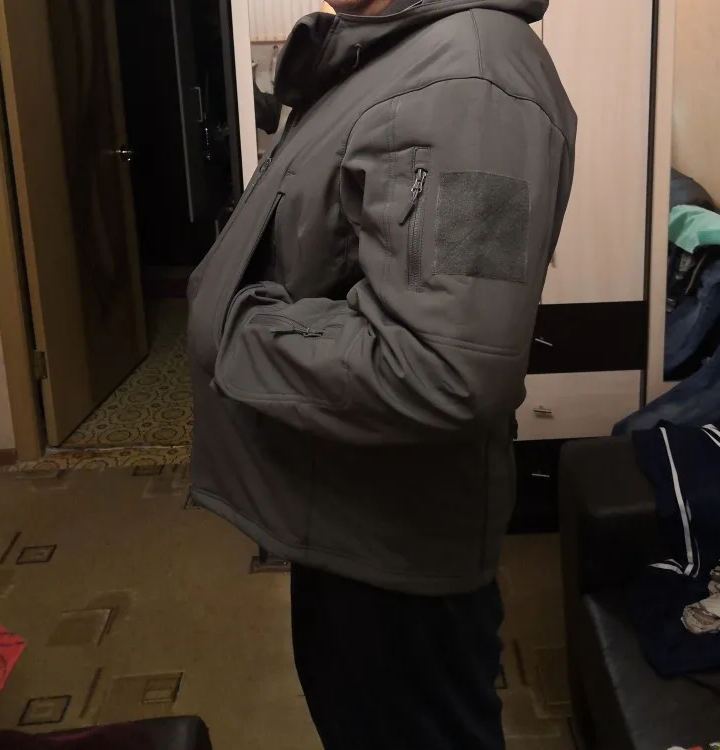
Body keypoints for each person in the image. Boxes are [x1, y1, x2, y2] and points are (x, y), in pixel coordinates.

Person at [187, 0, 575, 747]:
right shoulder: (401, 54)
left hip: (396, 562)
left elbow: (443, 368)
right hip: (345, 518)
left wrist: (237, 330)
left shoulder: (471, 84)